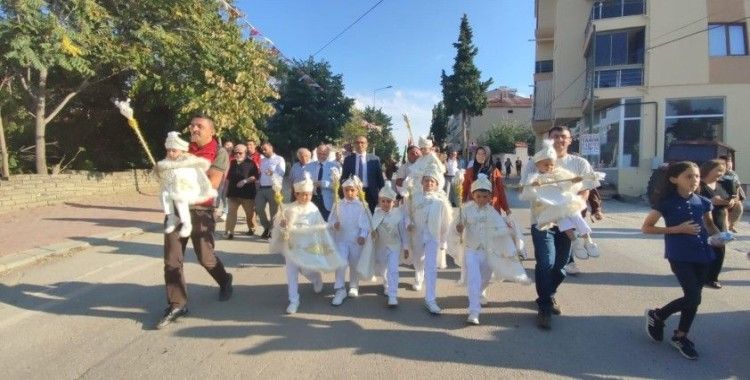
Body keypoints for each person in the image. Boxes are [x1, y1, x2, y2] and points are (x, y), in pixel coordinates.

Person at [157, 115, 234, 329]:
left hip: (201, 210)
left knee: (206, 258)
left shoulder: (219, 153)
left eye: (200, 126)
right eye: (192, 125)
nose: (194, 129)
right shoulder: (182, 148)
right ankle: (177, 304)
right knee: (172, 260)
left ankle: (225, 279)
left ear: (212, 131)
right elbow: (167, 172)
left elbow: (213, 182)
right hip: (176, 209)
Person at [521, 126, 596, 329]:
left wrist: (570, 207)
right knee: (545, 262)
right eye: (556, 136)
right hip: (542, 220)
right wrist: (533, 185)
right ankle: (544, 306)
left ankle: (549, 293)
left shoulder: (579, 163)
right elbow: (525, 187)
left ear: (570, 140)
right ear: (549, 139)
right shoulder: (534, 162)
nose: (560, 140)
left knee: (561, 267)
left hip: (568, 222)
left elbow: (585, 190)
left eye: (564, 137)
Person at [642, 161, 720, 360]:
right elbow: (647, 227)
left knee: (694, 297)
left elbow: (709, 225)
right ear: (674, 179)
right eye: (689, 176)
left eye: (696, 176)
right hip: (680, 255)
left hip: (703, 254)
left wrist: (722, 236)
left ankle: (680, 336)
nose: (694, 180)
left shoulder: (703, 201)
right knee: (693, 297)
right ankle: (658, 315)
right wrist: (677, 229)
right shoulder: (666, 203)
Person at [455, 174, 530, 325]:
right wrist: (459, 227)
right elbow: (458, 227)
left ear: (490, 197)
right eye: (478, 196)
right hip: (471, 249)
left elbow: (500, 229)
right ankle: (474, 311)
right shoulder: (466, 210)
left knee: (485, 278)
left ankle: (480, 291)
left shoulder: (492, 212)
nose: (481, 200)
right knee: (474, 279)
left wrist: (508, 230)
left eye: (485, 197)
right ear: (473, 195)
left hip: (487, 251)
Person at [270, 173, 344, 314]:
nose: (305, 197)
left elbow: (322, 224)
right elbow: (279, 228)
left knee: (306, 269)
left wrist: (333, 225)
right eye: (302, 194)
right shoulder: (288, 209)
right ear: (296, 195)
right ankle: (294, 300)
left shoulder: (313, 209)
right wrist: (282, 224)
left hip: (307, 245)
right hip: (291, 246)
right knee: (291, 273)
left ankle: (316, 278)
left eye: (308, 194)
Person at [520, 140, 600, 260]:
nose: (549, 167)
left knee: (577, 216)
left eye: (551, 164)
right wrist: (533, 184)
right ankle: (576, 242)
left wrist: (574, 181)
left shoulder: (559, 172)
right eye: (545, 165)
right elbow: (528, 191)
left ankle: (588, 239)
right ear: (537, 165)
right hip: (551, 206)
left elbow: (569, 183)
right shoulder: (535, 177)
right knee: (564, 223)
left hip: (565, 201)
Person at [404, 162, 452, 314]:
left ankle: (430, 299)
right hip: (417, 234)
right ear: (422, 182)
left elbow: (446, 222)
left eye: (432, 181)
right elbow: (407, 214)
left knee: (431, 266)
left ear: (437, 183)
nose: (429, 183)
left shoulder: (441, 201)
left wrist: (444, 241)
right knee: (418, 259)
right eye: (426, 180)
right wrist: (408, 223)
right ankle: (419, 276)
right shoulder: (413, 197)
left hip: (433, 236)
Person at [156, 132, 217, 238]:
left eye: (174, 150)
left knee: (180, 198)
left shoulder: (189, 160)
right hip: (171, 188)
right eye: (168, 150)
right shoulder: (167, 161)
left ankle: (186, 223)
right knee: (164, 195)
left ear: (182, 150)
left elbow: (196, 174)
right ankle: (171, 216)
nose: (170, 153)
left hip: (187, 188)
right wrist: (159, 170)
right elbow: (163, 176)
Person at [327, 175, 372, 306]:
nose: (349, 193)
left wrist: (363, 235)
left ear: (358, 191)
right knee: (341, 263)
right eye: (347, 190)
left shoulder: (362, 206)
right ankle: (340, 289)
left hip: (356, 241)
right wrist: (334, 224)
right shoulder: (338, 204)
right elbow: (331, 220)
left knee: (354, 263)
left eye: (352, 190)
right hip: (341, 240)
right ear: (343, 191)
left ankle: (354, 285)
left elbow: (366, 223)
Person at [366, 185, 409, 307]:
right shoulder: (376, 214)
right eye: (383, 201)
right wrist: (372, 233)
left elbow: (403, 233)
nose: (385, 204)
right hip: (381, 247)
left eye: (388, 201)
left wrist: (406, 247)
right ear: (379, 202)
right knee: (383, 269)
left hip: (394, 247)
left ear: (394, 202)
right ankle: (386, 284)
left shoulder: (398, 215)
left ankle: (393, 295)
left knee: (393, 269)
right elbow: (372, 231)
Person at [699, 159, 733, 289]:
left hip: (720, 221)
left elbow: (724, 204)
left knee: (720, 251)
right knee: (707, 250)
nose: (721, 173)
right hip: (705, 223)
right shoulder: (700, 185)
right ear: (708, 169)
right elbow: (700, 201)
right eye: (718, 170)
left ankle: (712, 277)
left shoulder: (720, 185)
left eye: (723, 171)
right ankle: (703, 276)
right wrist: (713, 201)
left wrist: (727, 224)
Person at [462, 146, 511, 216]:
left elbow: (501, 191)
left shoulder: (494, 171)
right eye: (478, 154)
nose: (480, 156)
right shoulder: (470, 171)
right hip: (474, 208)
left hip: (492, 208)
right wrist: (462, 205)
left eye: (483, 154)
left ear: (488, 155)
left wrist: (506, 208)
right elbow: (464, 190)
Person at [223, 144, 259, 239]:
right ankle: (229, 232)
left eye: (240, 153)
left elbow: (256, 176)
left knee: (249, 214)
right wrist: (225, 191)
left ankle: (252, 228)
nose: (237, 154)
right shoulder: (232, 163)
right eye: (236, 152)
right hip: (233, 194)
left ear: (246, 153)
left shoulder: (251, 163)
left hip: (247, 194)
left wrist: (245, 181)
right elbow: (228, 178)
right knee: (231, 213)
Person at [341, 136, 385, 212]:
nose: (360, 145)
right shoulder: (348, 159)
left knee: (371, 217)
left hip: (371, 194)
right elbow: (343, 178)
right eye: (357, 143)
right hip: (354, 194)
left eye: (362, 143)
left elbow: (380, 179)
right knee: (356, 216)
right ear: (354, 145)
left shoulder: (374, 159)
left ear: (367, 144)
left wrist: (382, 196)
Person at [255, 142, 286, 239]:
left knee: (274, 212)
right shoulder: (262, 160)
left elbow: (282, 173)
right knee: (258, 208)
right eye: (262, 150)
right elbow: (261, 173)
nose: (264, 151)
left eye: (265, 149)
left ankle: (272, 230)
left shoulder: (279, 159)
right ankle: (266, 227)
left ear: (271, 148)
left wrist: (273, 173)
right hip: (262, 188)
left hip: (274, 189)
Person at [718, 155, 744, 232]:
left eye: (730, 164)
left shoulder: (733, 174)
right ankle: (725, 227)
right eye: (727, 164)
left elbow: (738, 186)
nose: (729, 167)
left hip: (731, 198)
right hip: (718, 198)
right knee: (723, 209)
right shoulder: (717, 172)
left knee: (739, 207)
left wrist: (736, 198)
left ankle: (731, 225)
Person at [311, 144, 337, 221]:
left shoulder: (334, 167)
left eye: (324, 154)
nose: (321, 156)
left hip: (327, 201)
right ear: (316, 153)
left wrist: (324, 183)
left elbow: (337, 186)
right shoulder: (309, 166)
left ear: (328, 154)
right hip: (312, 199)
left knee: (326, 224)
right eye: (319, 153)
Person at [216, 140, 234, 221]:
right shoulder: (219, 155)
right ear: (224, 146)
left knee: (225, 196)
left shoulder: (233, 157)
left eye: (231, 146)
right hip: (219, 178)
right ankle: (215, 211)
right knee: (217, 195)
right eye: (227, 145)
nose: (229, 147)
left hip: (229, 179)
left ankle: (225, 212)